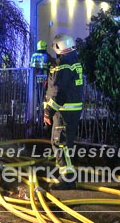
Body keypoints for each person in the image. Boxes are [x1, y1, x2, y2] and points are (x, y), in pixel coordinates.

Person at [43, 33, 84, 189]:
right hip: (72, 110)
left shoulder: (63, 65)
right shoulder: (74, 62)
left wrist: (49, 112)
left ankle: (67, 179)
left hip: (63, 111)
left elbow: (58, 92)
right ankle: (67, 176)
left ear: (60, 47)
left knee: (60, 144)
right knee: (66, 144)